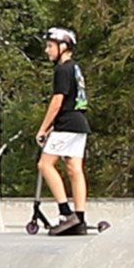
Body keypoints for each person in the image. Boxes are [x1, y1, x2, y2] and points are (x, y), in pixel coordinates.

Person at [33, 27, 103, 235]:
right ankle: (79, 220)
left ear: (63, 47)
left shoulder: (62, 70)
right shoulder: (75, 68)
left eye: (50, 46)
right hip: (79, 123)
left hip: (67, 124)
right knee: (74, 169)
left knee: (45, 165)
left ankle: (66, 213)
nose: (47, 50)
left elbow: (58, 101)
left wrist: (43, 128)